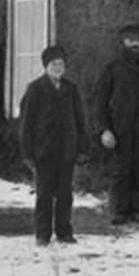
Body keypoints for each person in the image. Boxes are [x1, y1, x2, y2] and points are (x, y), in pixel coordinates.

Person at [95, 24, 139, 225]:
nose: (135, 44)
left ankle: (138, 210)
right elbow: (100, 101)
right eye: (131, 40)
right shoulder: (113, 69)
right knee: (122, 170)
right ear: (123, 42)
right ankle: (120, 210)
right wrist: (105, 129)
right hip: (120, 129)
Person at [19, 45, 88, 245]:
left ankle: (64, 231)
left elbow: (79, 119)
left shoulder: (70, 89)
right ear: (46, 66)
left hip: (67, 150)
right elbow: (26, 124)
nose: (58, 67)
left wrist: (82, 148)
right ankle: (42, 234)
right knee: (44, 194)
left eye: (61, 64)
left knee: (65, 194)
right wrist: (28, 153)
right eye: (54, 64)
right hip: (44, 151)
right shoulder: (36, 89)